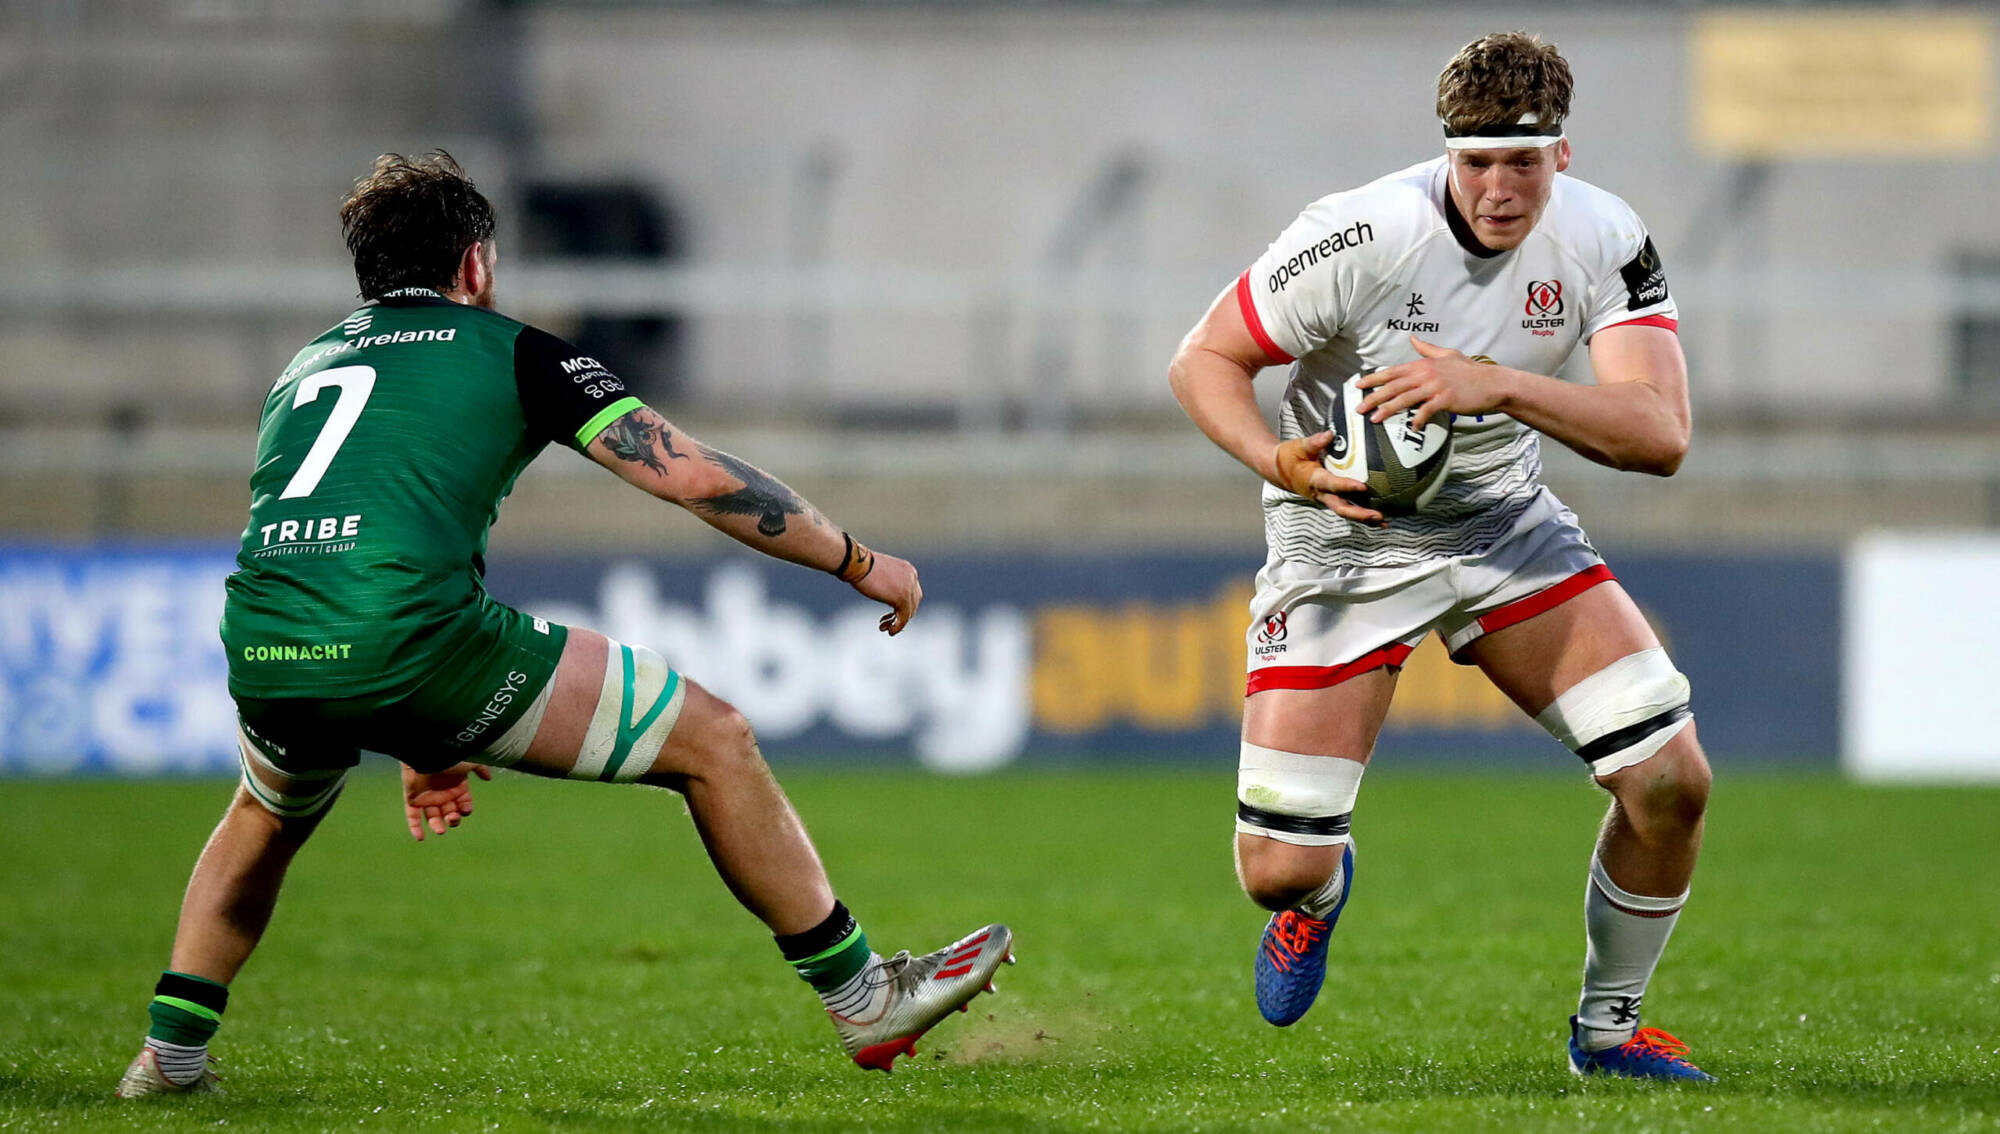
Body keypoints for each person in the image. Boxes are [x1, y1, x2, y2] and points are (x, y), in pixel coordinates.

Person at [116, 152, 1012, 1098]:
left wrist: (423, 732)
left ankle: (169, 1056)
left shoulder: (306, 366)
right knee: (714, 741)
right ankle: (863, 997)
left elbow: (357, 536)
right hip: (410, 639)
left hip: (267, 642)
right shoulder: (513, 350)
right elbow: (695, 478)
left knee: (263, 815)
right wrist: (858, 560)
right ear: (474, 263)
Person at [1167, 33, 1713, 1081]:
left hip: (1500, 522)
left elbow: (1660, 434)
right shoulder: (1362, 232)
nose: (1499, 188)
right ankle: (1321, 890)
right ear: (1446, 154)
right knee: (1277, 869)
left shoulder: (1606, 237)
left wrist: (1496, 385)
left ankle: (1608, 1032)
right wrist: (1278, 462)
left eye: (1524, 162)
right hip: (1343, 534)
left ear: (1562, 154)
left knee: (1668, 781)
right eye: (1477, 162)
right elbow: (1204, 360)